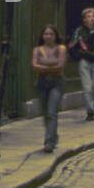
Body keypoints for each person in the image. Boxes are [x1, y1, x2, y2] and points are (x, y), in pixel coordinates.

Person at [31, 25, 67, 153]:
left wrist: (43, 67)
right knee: (45, 113)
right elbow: (34, 65)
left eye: (51, 34)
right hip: (42, 83)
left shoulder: (61, 49)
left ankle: (49, 142)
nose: (48, 36)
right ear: (42, 36)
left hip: (57, 83)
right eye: (46, 34)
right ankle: (53, 136)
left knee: (52, 112)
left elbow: (60, 66)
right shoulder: (37, 49)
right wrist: (51, 67)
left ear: (55, 36)